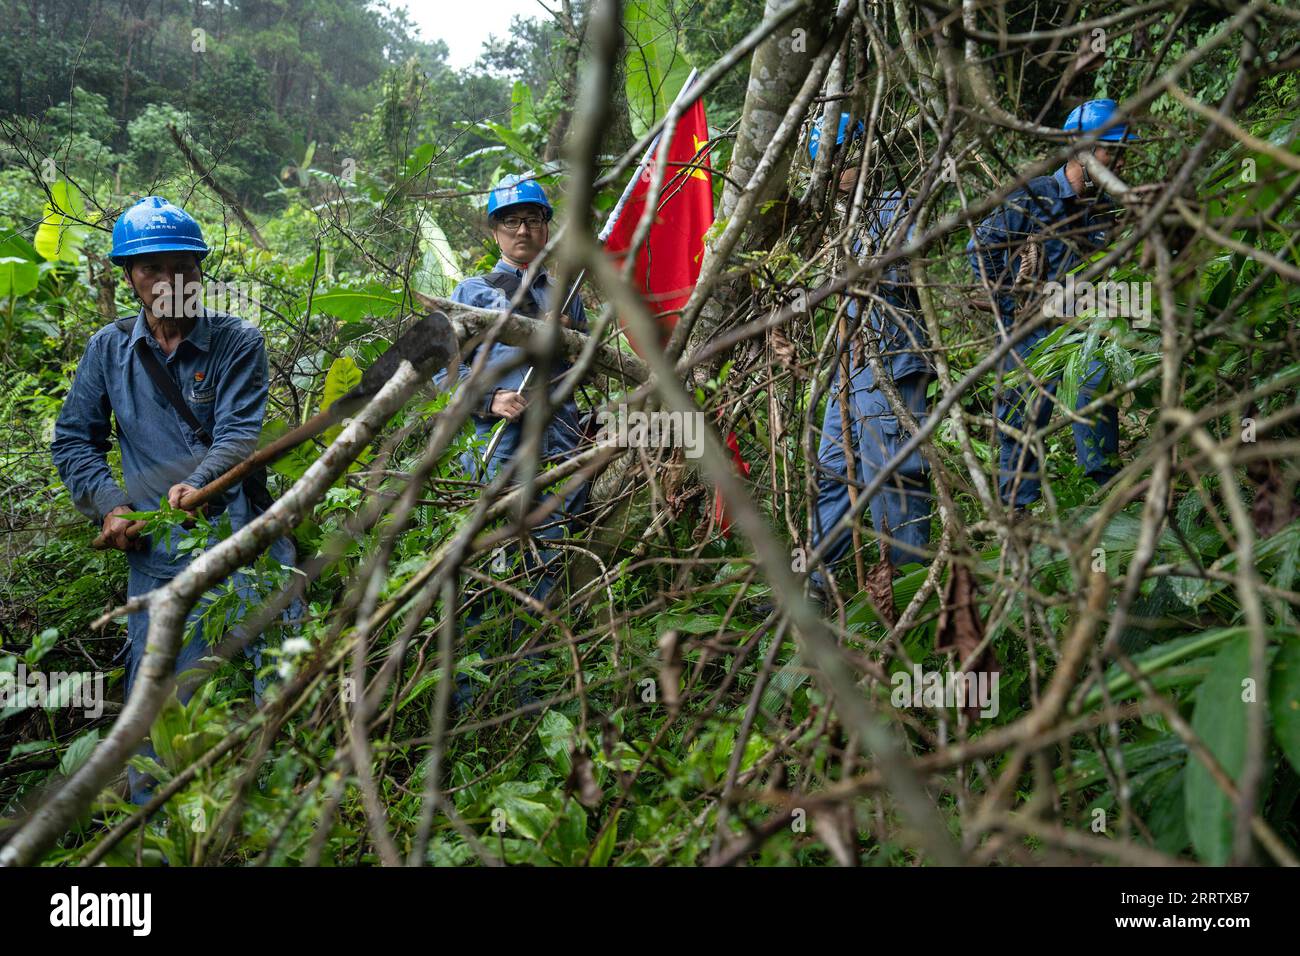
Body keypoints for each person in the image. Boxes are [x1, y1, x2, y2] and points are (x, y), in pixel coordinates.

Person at [52, 196, 295, 803]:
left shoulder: (238, 340)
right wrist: (111, 505)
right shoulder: (107, 350)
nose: (166, 282)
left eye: (180, 267)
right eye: (150, 268)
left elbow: (239, 434)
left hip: (246, 537)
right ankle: (154, 833)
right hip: (159, 554)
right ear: (129, 277)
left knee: (274, 685)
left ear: (199, 271)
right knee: (159, 698)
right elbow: (75, 440)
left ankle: (266, 820)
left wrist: (201, 483)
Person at [438, 175, 589, 706]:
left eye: (532, 219)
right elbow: (442, 371)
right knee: (488, 559)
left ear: (546, 227)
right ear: (494, 231)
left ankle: (534, 686)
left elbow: (586, 366)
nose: (522, 229)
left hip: (561, 438)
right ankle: (468, 692)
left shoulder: (566, 292)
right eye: (510, 221)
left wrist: (568, 340)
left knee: (548, 558)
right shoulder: (471, 294)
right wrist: (489, 399)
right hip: (498, 444)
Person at [967, 98, 1136, 510]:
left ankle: (1106, 495)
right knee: (1022, 420)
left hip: (1083, 326)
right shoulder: (1034, 197)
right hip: (1030, 330)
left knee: (1096, 395)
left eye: (1121, 151)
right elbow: (979, 249)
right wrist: (1013, 294)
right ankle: (1017, 514)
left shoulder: (1105, 209)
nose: (1119, 161)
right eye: (1111, 150)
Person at [810, 172, 933, 601]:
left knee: (894, 478)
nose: (832, 175)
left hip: (893, 363)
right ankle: (812, 584)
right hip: (850, 369)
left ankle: (908, 595)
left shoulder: (893, 205)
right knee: (832, 470)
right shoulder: (837, 218)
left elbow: (910, 274)